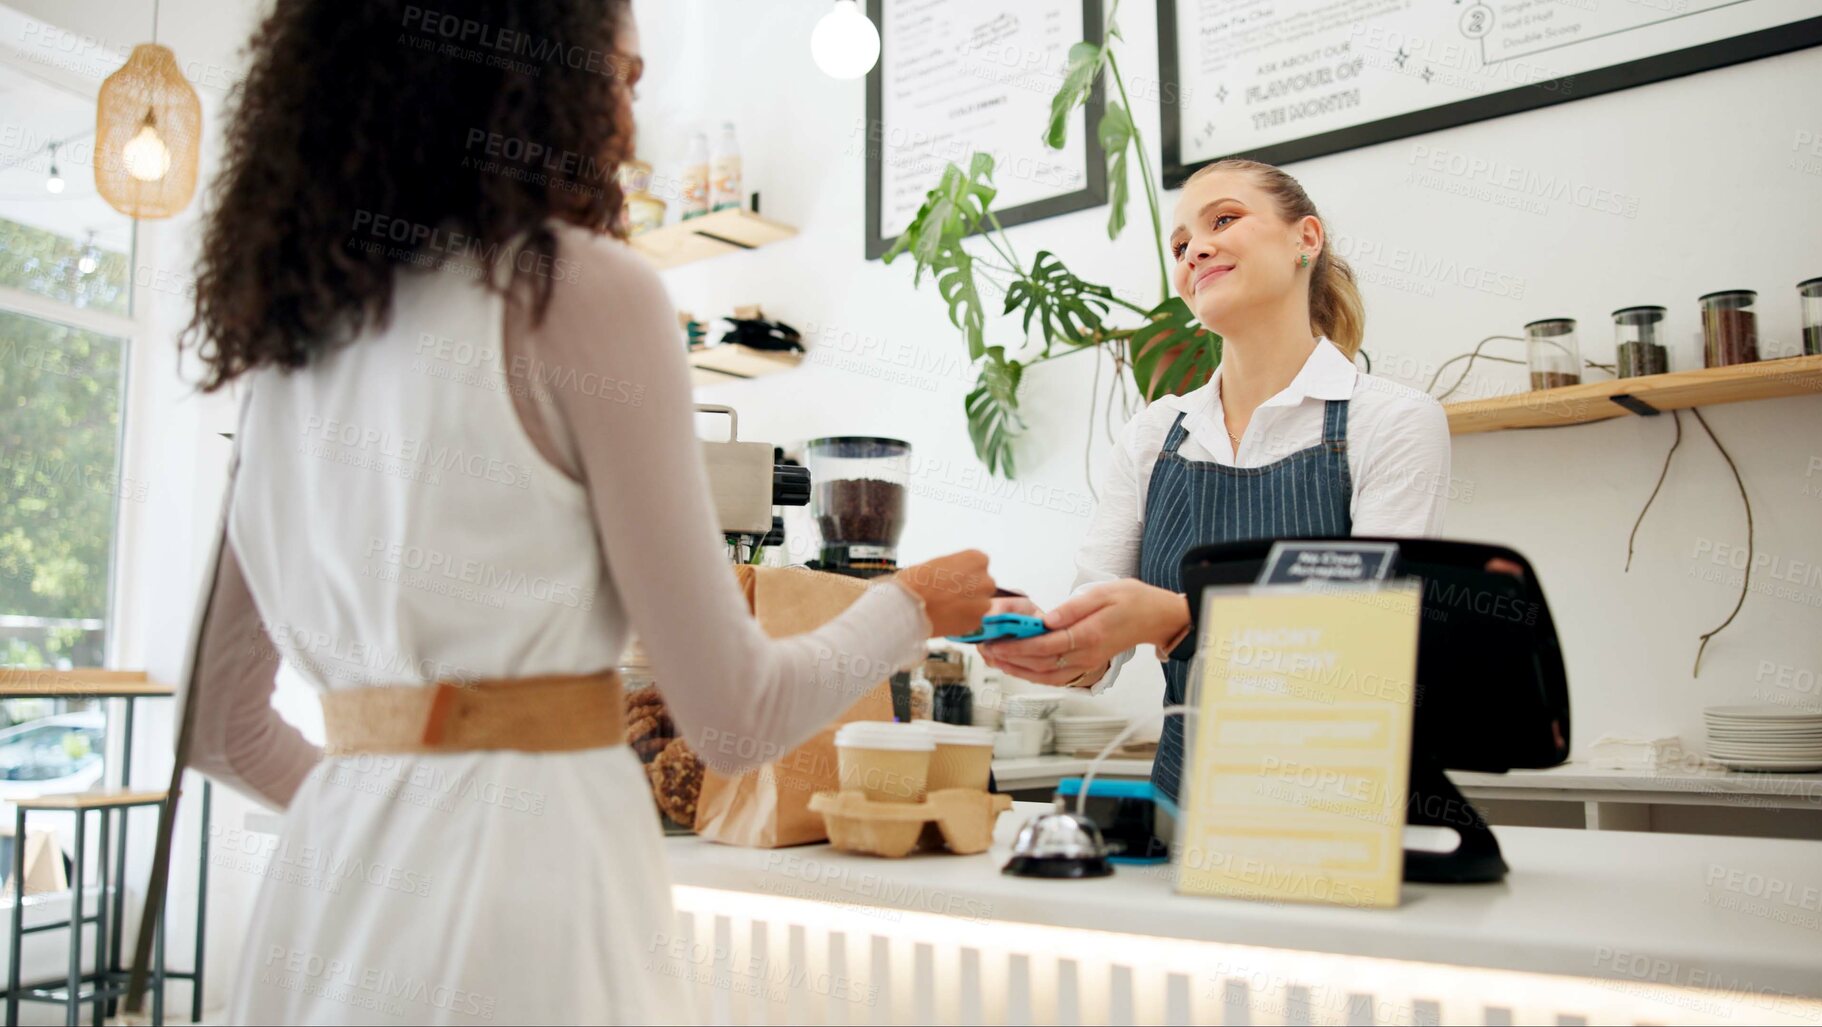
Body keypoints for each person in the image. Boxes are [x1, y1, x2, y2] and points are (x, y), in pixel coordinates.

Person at [174, 2, 991, 1022]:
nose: (631, 125)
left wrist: (390, 819)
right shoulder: (575, 292)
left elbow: (218, 730)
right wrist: (911, 603)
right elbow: (734, 718)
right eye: (624, 78)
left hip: (325, 905)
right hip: (531, 909)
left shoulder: (283, 362)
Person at [981, 159, 1451, 802]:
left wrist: (1178, 617)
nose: (1194, 249)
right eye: (1179, 245)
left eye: (1223, 220)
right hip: (1187, 801)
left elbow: (1369, 648)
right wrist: (1042, 638)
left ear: (1304, 241)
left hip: (1334, 806)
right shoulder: (1153, 436)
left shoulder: (1391, 420)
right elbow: (1092, 655)